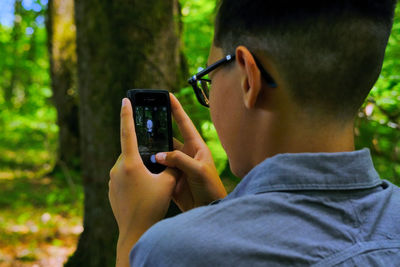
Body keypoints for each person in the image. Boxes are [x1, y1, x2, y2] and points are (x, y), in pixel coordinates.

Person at [108, 1, 400, 266]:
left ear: (249, 78)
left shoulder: (174, 252)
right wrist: (218, 212)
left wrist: (135, 232)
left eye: (208, 76)